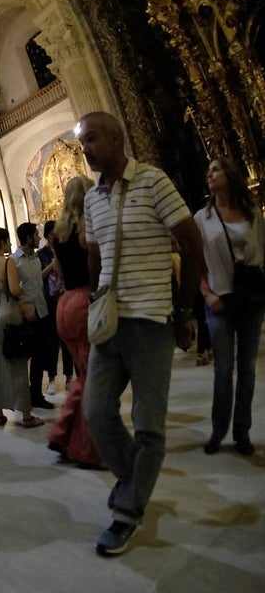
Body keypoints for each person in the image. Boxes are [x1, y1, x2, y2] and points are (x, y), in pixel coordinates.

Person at [78, 111, 203, 557]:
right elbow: (95, 255)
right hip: (110, 322)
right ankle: (134, 482)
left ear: (116, 138)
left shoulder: (153, 181)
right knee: (96, 412)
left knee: (149, 425)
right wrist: (96, 297)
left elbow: (191, 244)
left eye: (92, 139)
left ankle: (127, 511)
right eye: (82, 142)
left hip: (151, 320)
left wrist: (185, 309)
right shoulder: (91, 198)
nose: (86, 149)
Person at [194, 156, 264, 456]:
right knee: (223, 369)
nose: (210, 174)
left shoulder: (252, 214)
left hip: (251, 299)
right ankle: (218, 431)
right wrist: (207, 293)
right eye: (208, 171)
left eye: (216, 169)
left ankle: (242, 432)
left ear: (230, 175)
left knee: (247, 369)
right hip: (219, 300)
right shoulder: (202, 218)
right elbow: (195, 260)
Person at [46, 176, 103, 468]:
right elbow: (97, 267)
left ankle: (63, 433)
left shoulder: (58, 234)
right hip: (85, 302)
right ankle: (88, 449)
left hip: (65, 304)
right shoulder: (86, 229)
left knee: (85, 375)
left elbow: (58, 269)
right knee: (95, 379)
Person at [0, 228, 44, 429]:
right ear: (3, 242)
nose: (9, 244)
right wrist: (23, 292)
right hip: (9, 312)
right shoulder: (8, 262)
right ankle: (26, 415)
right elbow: (15, 289)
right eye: (7, 241)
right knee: (17, 361)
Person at [13, 222, 54, 410]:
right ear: (29, 238)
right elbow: (12, 290)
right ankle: (22, 395)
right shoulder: (14, 261)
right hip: (26, 313)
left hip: (41, 310)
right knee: (23, 357)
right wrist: (23, 308)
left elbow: (38, 280)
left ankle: (36, 394)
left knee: (40, 356)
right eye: (36, 235)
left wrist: (52, 266)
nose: (39, 238)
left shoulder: (36, 259)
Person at [38, 220, 66, 394]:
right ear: (48, 236)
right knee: (52, 341)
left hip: (65, 296)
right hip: (49, 299)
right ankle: (52, 378)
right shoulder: (41, 254)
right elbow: (39, 275)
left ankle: (70, 376)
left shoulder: (64, 248)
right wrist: (53, 264)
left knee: (67, 338)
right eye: (54, 234)